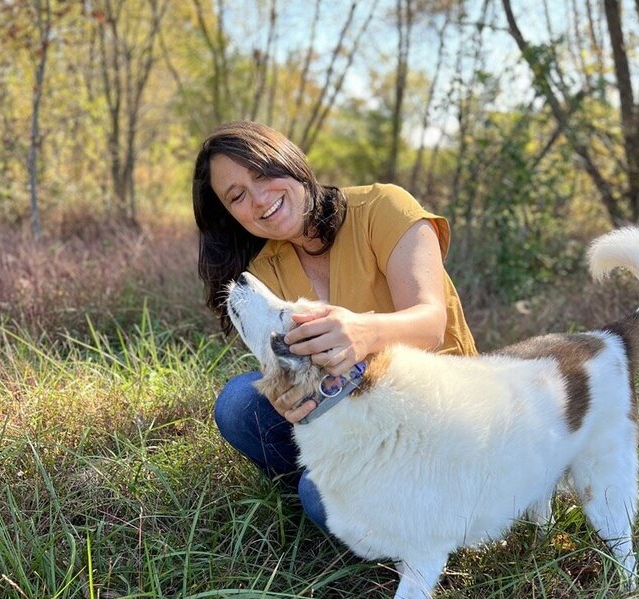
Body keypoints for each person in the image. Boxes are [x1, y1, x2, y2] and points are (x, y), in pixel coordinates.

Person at [192, 120, 477, 531]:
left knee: (319, 497)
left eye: (262, 174)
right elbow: (293, 373)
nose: (258, 200)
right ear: (230, 215)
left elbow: (430, 322)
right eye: (237, 196)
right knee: (239, 404)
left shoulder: (383, 207)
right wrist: (285, 400)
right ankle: (356, 506)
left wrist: (365, 333)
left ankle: (423, 518)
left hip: (436, 416)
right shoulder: (265, 268)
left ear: (289, 161)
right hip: (353, 425)